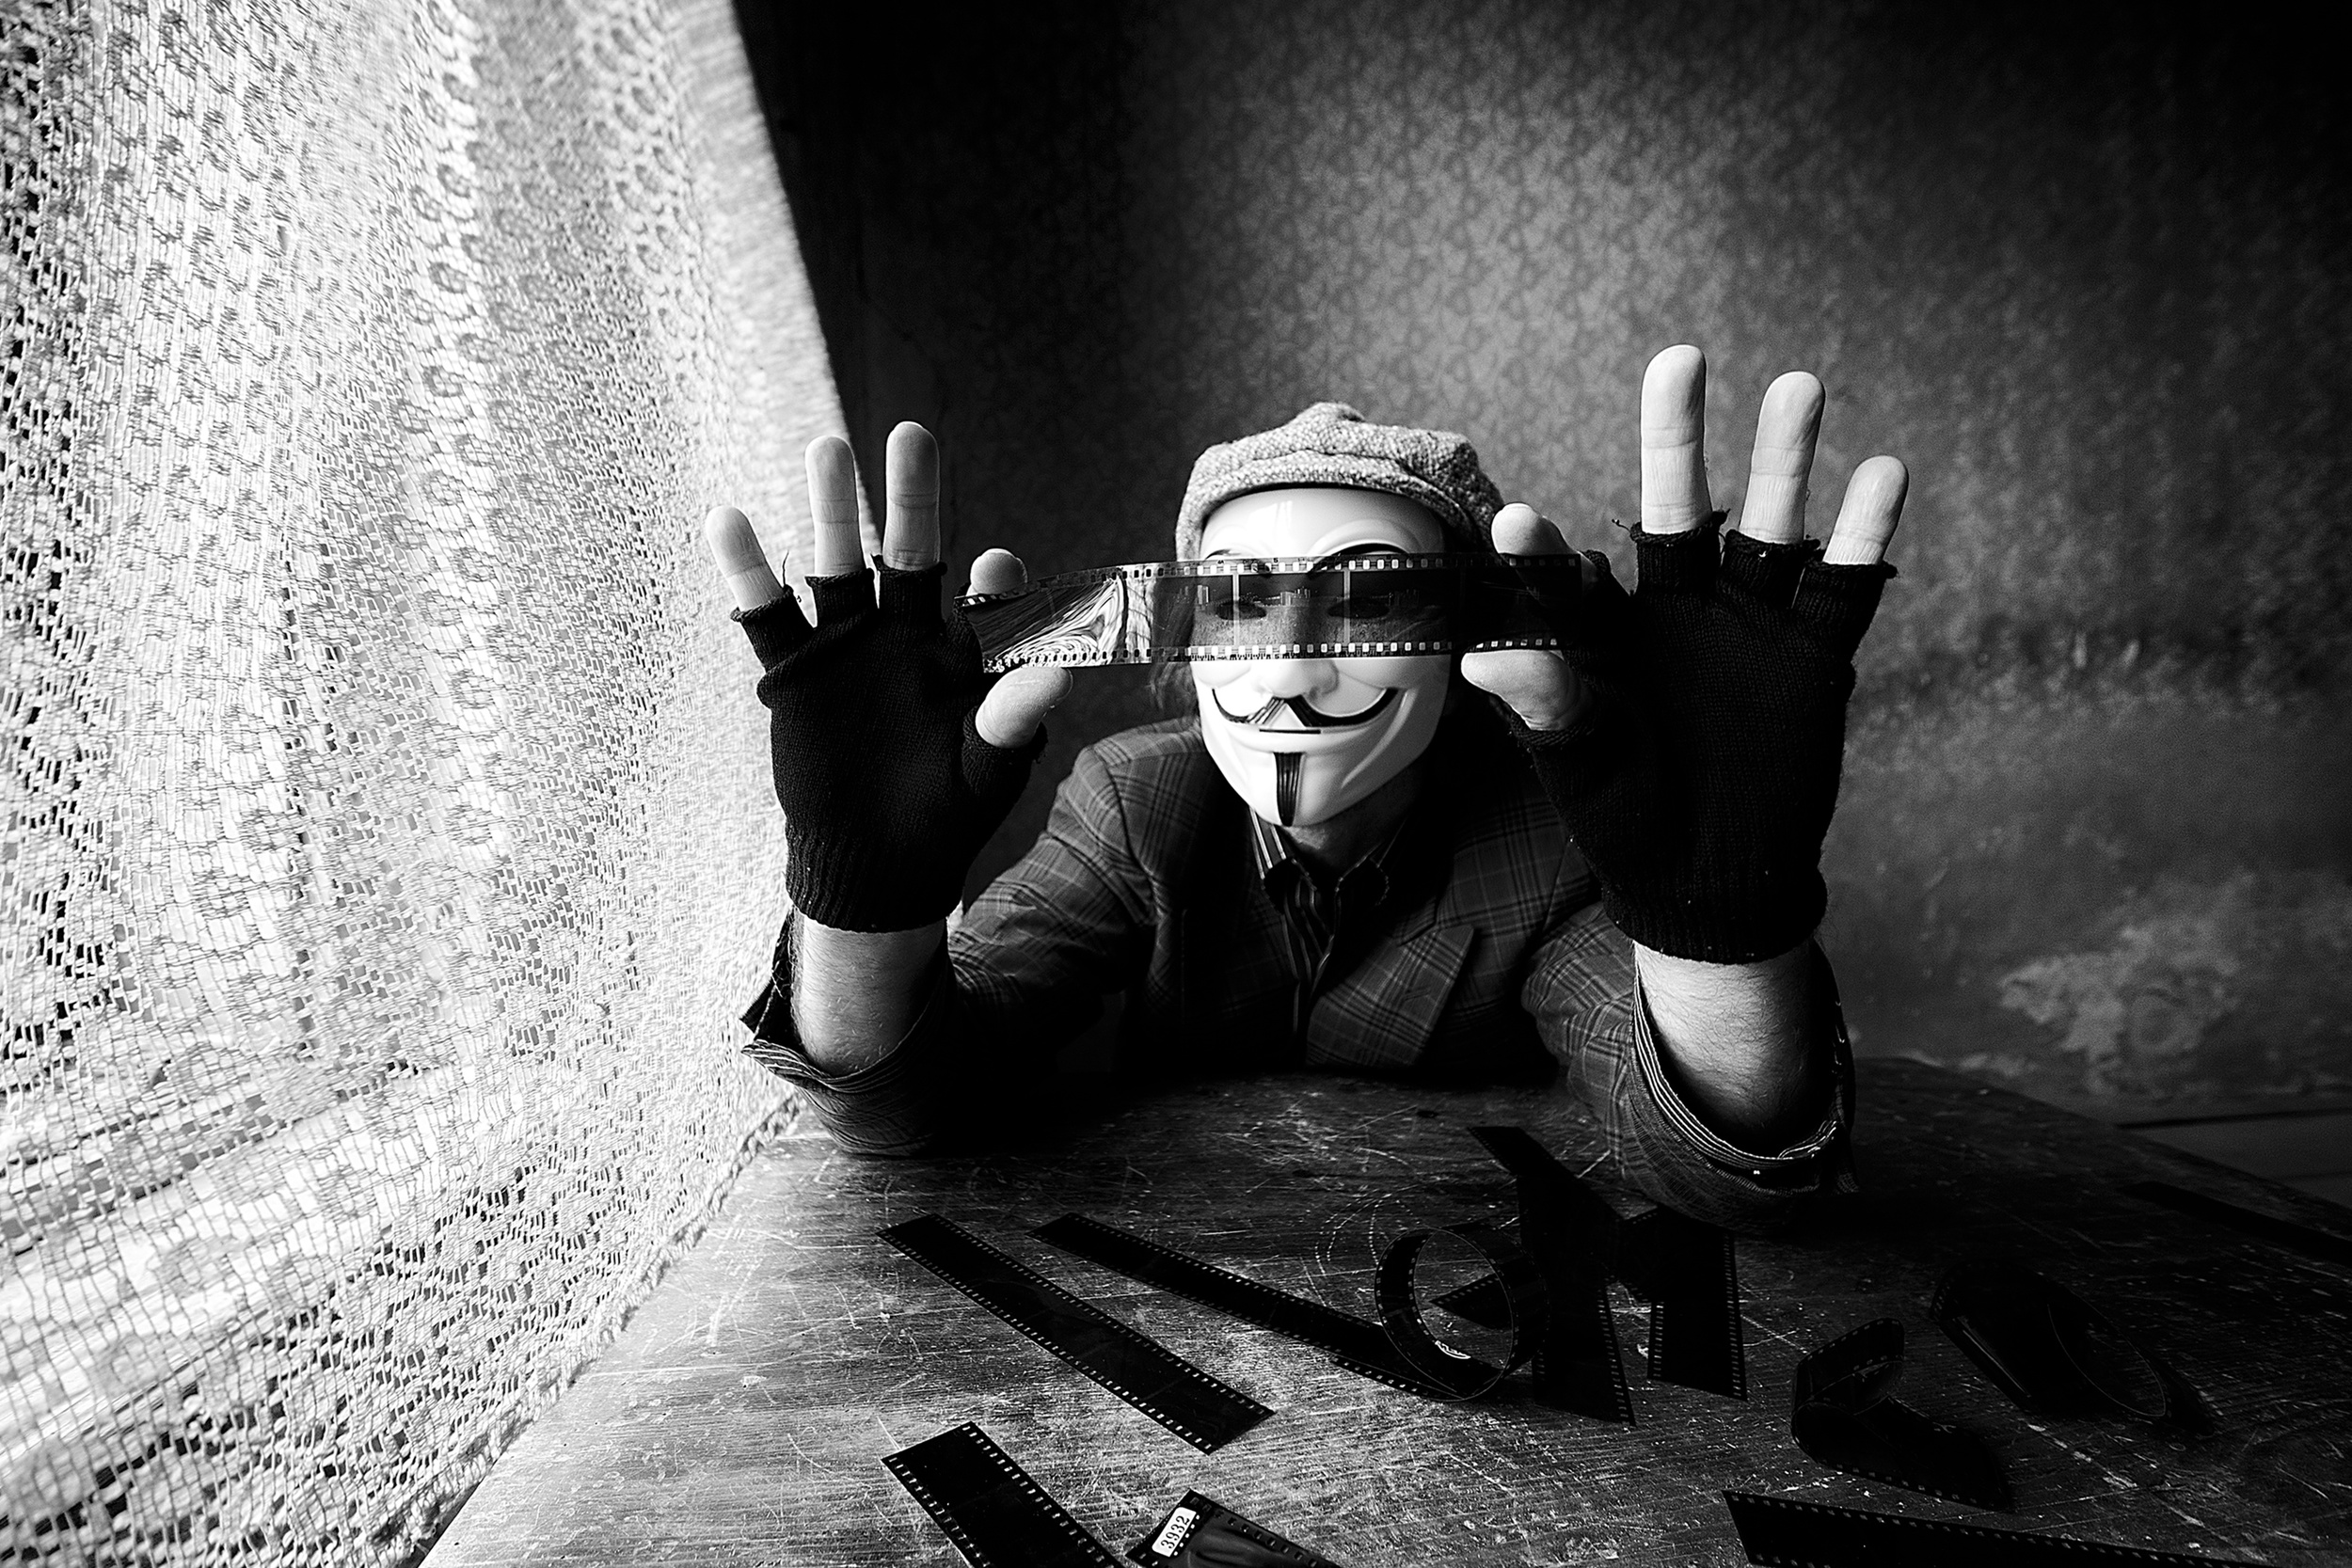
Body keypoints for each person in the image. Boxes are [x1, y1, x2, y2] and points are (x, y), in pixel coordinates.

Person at [704, 345, 1907, 1231]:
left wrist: (1722, 926)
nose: (1284, 673)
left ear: (1463, 643)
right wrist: (860, 906)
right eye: (1234, 602)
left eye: (1372, 598)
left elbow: (1723, 1167)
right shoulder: (1134, 800)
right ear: (1180, 644)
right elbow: (901, 1110)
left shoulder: (1553, 835)